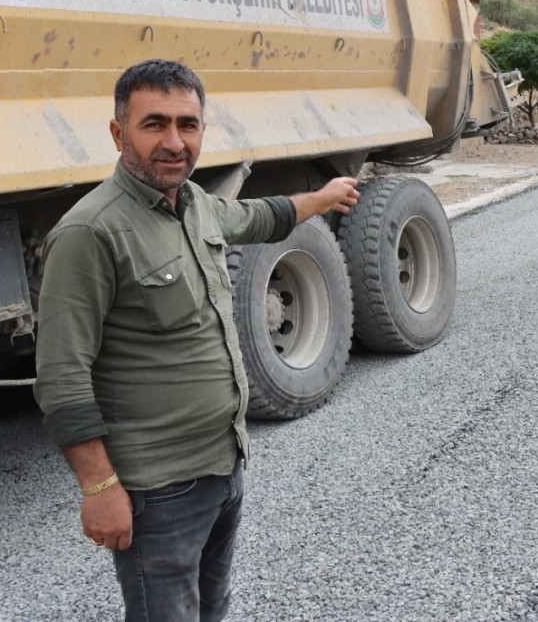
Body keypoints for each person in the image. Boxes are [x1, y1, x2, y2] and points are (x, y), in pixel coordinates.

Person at [33, 59, 359, 621]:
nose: (174, 142)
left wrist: (324, 196)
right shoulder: (90, 233)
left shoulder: (195, 205)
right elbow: (62, 377)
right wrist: (99, 487)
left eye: (188, 125)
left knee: (211, 608)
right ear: (118, 133)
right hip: (157, 490)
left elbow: (261, 216)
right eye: (154, 124)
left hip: (222, 467)